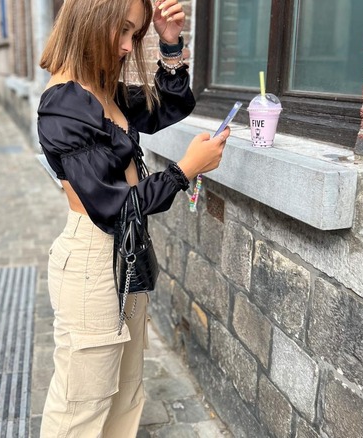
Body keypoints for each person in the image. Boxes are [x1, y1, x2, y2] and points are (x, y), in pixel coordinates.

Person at [37, 0, 229, 436]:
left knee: (125, 391)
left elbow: (170, 108)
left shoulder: (104, 91)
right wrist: (185, 171)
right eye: (123, 31)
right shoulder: (64, 104)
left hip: (127, 255)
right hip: (92, 259)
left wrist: (169, 42)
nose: (127, 47)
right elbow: (113, 206)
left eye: (135, 35)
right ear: (90, 20)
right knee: (81, 404)